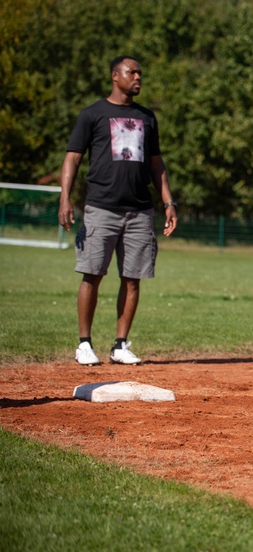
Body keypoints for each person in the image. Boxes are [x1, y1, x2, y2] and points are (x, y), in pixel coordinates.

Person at [58, 55, 178, 366]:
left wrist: (168, 202)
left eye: (140, 72)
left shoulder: (147, 117)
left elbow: (156, 165)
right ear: (115, 76)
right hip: (101, 207)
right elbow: (72, 158)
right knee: (92, 274)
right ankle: (84, 344)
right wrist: (65, 197)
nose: (138, 77)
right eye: (131, 72)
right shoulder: (93, 114)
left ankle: (120, 345)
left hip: (139, 211)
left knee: (133, 277)